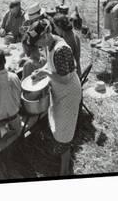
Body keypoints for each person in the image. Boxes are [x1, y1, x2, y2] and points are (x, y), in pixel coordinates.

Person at [30, 19, 82, 176]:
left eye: (38, 41)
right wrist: (42, 70)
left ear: (45, 34)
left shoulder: (61, 49)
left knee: (64, 132)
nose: (38, 46)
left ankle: (64, 171)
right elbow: (51, 65)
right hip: (60, 90)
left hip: (69, 92)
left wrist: (45, 73)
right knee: (58, 124)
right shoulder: (49, 44)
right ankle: (62, 154)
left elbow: (65, 78)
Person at [52, 13, 82, 78]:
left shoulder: (66, 41)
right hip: (77, 69)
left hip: (72, 75)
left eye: (55, 27)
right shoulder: (73, 34)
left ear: (59, 27)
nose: (54, 29)